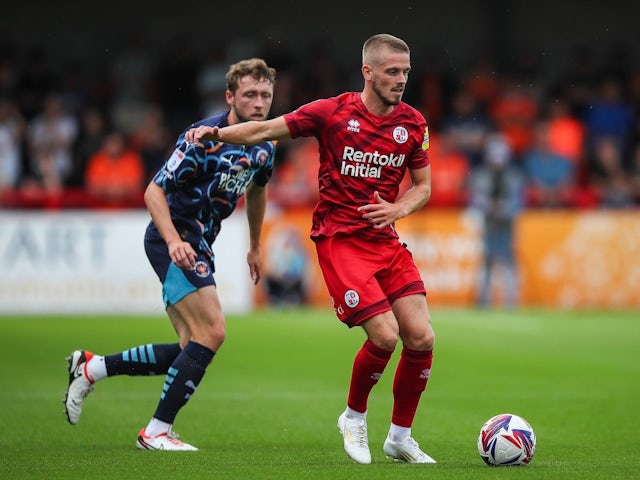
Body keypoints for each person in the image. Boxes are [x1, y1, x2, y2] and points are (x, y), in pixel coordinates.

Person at [186, 33, 436, 465]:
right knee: (385, 335)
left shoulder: (413, 123)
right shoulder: (333, 112)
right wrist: (218, 133)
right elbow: (266, 128)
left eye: (405, 72)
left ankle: (399, 436)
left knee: (421, 336)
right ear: (368, 72)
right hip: (340, 240)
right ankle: (354, 417)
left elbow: (425, 187)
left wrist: (398, 208)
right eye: (392, 72)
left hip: (385, 241)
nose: (400, 80)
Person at [63, 58, 277, 451]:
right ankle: (156, 431)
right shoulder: (202, 138)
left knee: (188, 347)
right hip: (174, 239)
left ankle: (93, 367)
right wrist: (174, 241)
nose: (259, 102)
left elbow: (258, 189)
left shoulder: (265, 145)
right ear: (230, 97)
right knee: (212, 332)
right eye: (250, 94)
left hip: (199, 242)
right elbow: (152, 191)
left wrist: (255, 245)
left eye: (265, 94)